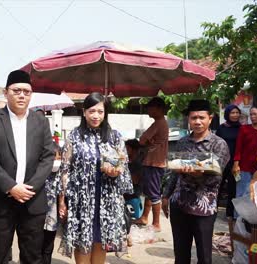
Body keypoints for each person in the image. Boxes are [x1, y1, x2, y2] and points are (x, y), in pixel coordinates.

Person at [0, 70, 54, 264]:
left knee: (32, 256)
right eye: (16, 90)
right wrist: (11, 186)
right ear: (5, 92)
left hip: (32, 199)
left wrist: (30, 188)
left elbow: (48, 157)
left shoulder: (41, 121)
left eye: (26, 92)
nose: (21, 95)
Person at [58, 92, 133, 263]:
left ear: (105, 113)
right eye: (92, 111)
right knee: (83, 241)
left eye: (100, 111)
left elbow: (123, 165)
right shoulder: (74, 137)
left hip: (107, 199)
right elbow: (65, 170)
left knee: (100, 240)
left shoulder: (114, 137)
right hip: (81, 200)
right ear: (84, 112)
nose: (96, 115)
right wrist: (63, 200)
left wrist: (116, 171)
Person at [162, 99, 230, 264]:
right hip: (179, 204)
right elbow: (174, 172)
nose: (198, 122)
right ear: (188, 120)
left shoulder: (219, 144)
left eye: (201, 117)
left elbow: (216, 176)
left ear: (210, 118)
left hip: (204, 208)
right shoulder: (182, 142)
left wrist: (197, 173)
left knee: (204, 257)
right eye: (193, 118)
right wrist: (166, 195)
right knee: (181, 254)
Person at [134, 97, 169, 231]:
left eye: (150, 107)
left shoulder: (159, 123)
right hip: (154, 160)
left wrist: (147, 142)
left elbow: (142, 140)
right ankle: (144, 217)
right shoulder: (159, 123)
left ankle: (156, 223)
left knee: (153, 192)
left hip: (155, 162)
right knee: (149, 191)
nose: (148, 110)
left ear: (158, 109)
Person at [215, 105, 241, 227]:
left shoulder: (242, 128)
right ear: (227, 114)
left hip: (235, 163)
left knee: (233, 188)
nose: (235, 115)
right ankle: (212, 210)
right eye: (232, 113)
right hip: (222, 162)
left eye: (237, 112)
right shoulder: (221, 128)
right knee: (217, 186)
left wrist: (238, 162)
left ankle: (230, 213)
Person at [232, 105, 257, 203]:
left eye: (255, 114)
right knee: (242, 193)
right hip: (244, 167)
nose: (252, 116)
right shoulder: (244, 129)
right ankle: (239, 217)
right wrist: (236, 164)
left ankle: (256, 217)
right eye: (251, 114)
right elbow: (238, 148)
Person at [42, 141, 62, 264]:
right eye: (53, 157)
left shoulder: (61, 174)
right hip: (38, 216)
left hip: (52, 218)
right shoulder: (40, 173)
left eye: (59, 157)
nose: (56, 160)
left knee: (48, 246)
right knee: (36, 244)